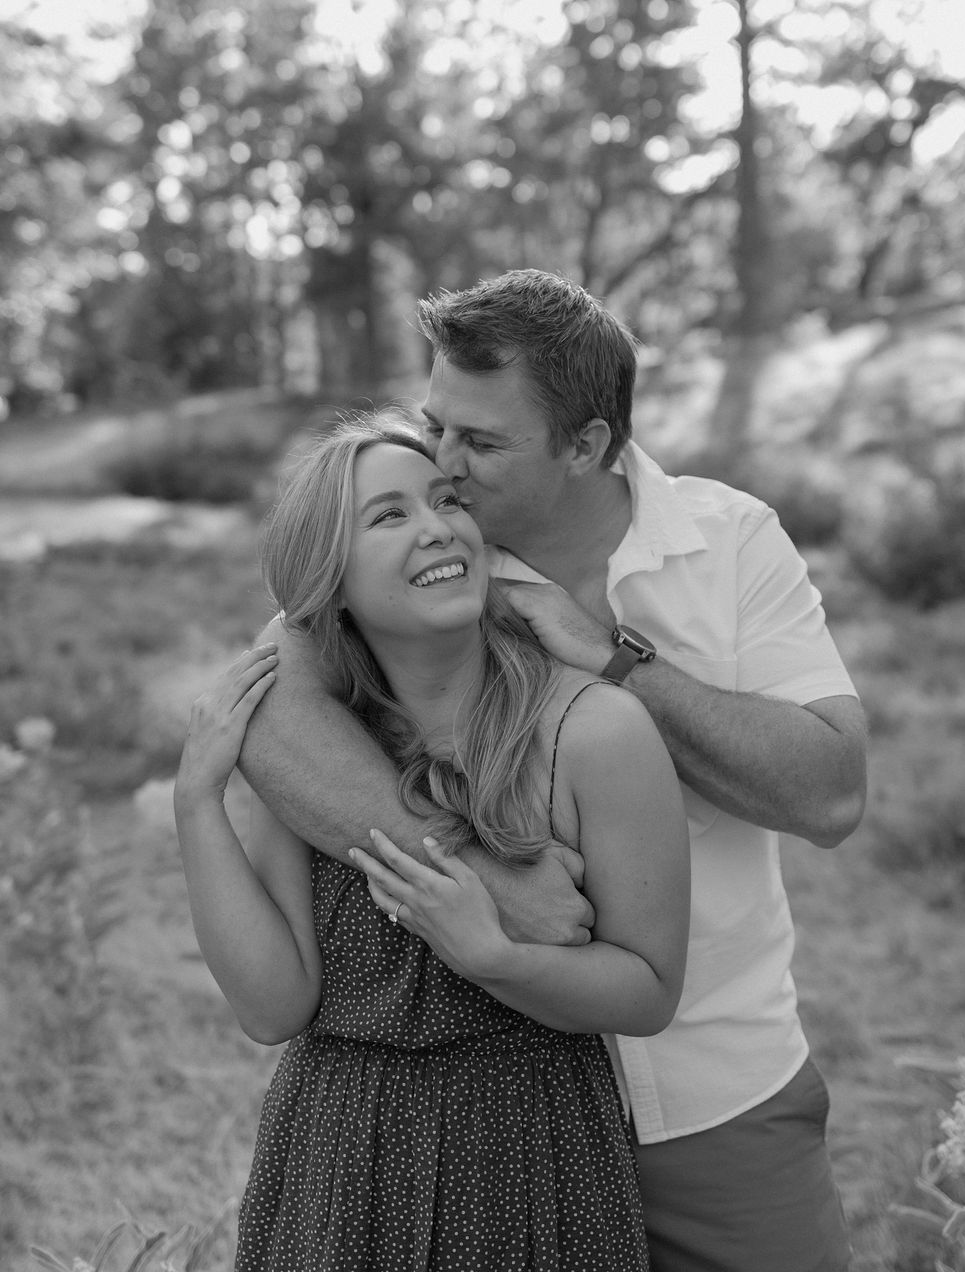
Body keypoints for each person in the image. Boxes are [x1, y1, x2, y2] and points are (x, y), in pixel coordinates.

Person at [239, 269, 868, 1272]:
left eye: (481, 443)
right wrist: (490, 881)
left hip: (715, 1091)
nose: (440, 460)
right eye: (435, 422)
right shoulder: (433, 551)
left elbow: (831, 791)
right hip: (495, 1114)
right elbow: (264, 710)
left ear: (588, 445)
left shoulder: (729, 538)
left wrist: (614, 659)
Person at [175, 414, 690, 1271]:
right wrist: (199, 799)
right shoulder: (311, 759)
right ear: (329, 585)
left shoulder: (595, 734)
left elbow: (648, 992)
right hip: (335, 1159)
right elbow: (272, 1008)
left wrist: (499, 958)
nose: (438, 526)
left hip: (531, 1153)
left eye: (447, 500)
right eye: (388, 516)